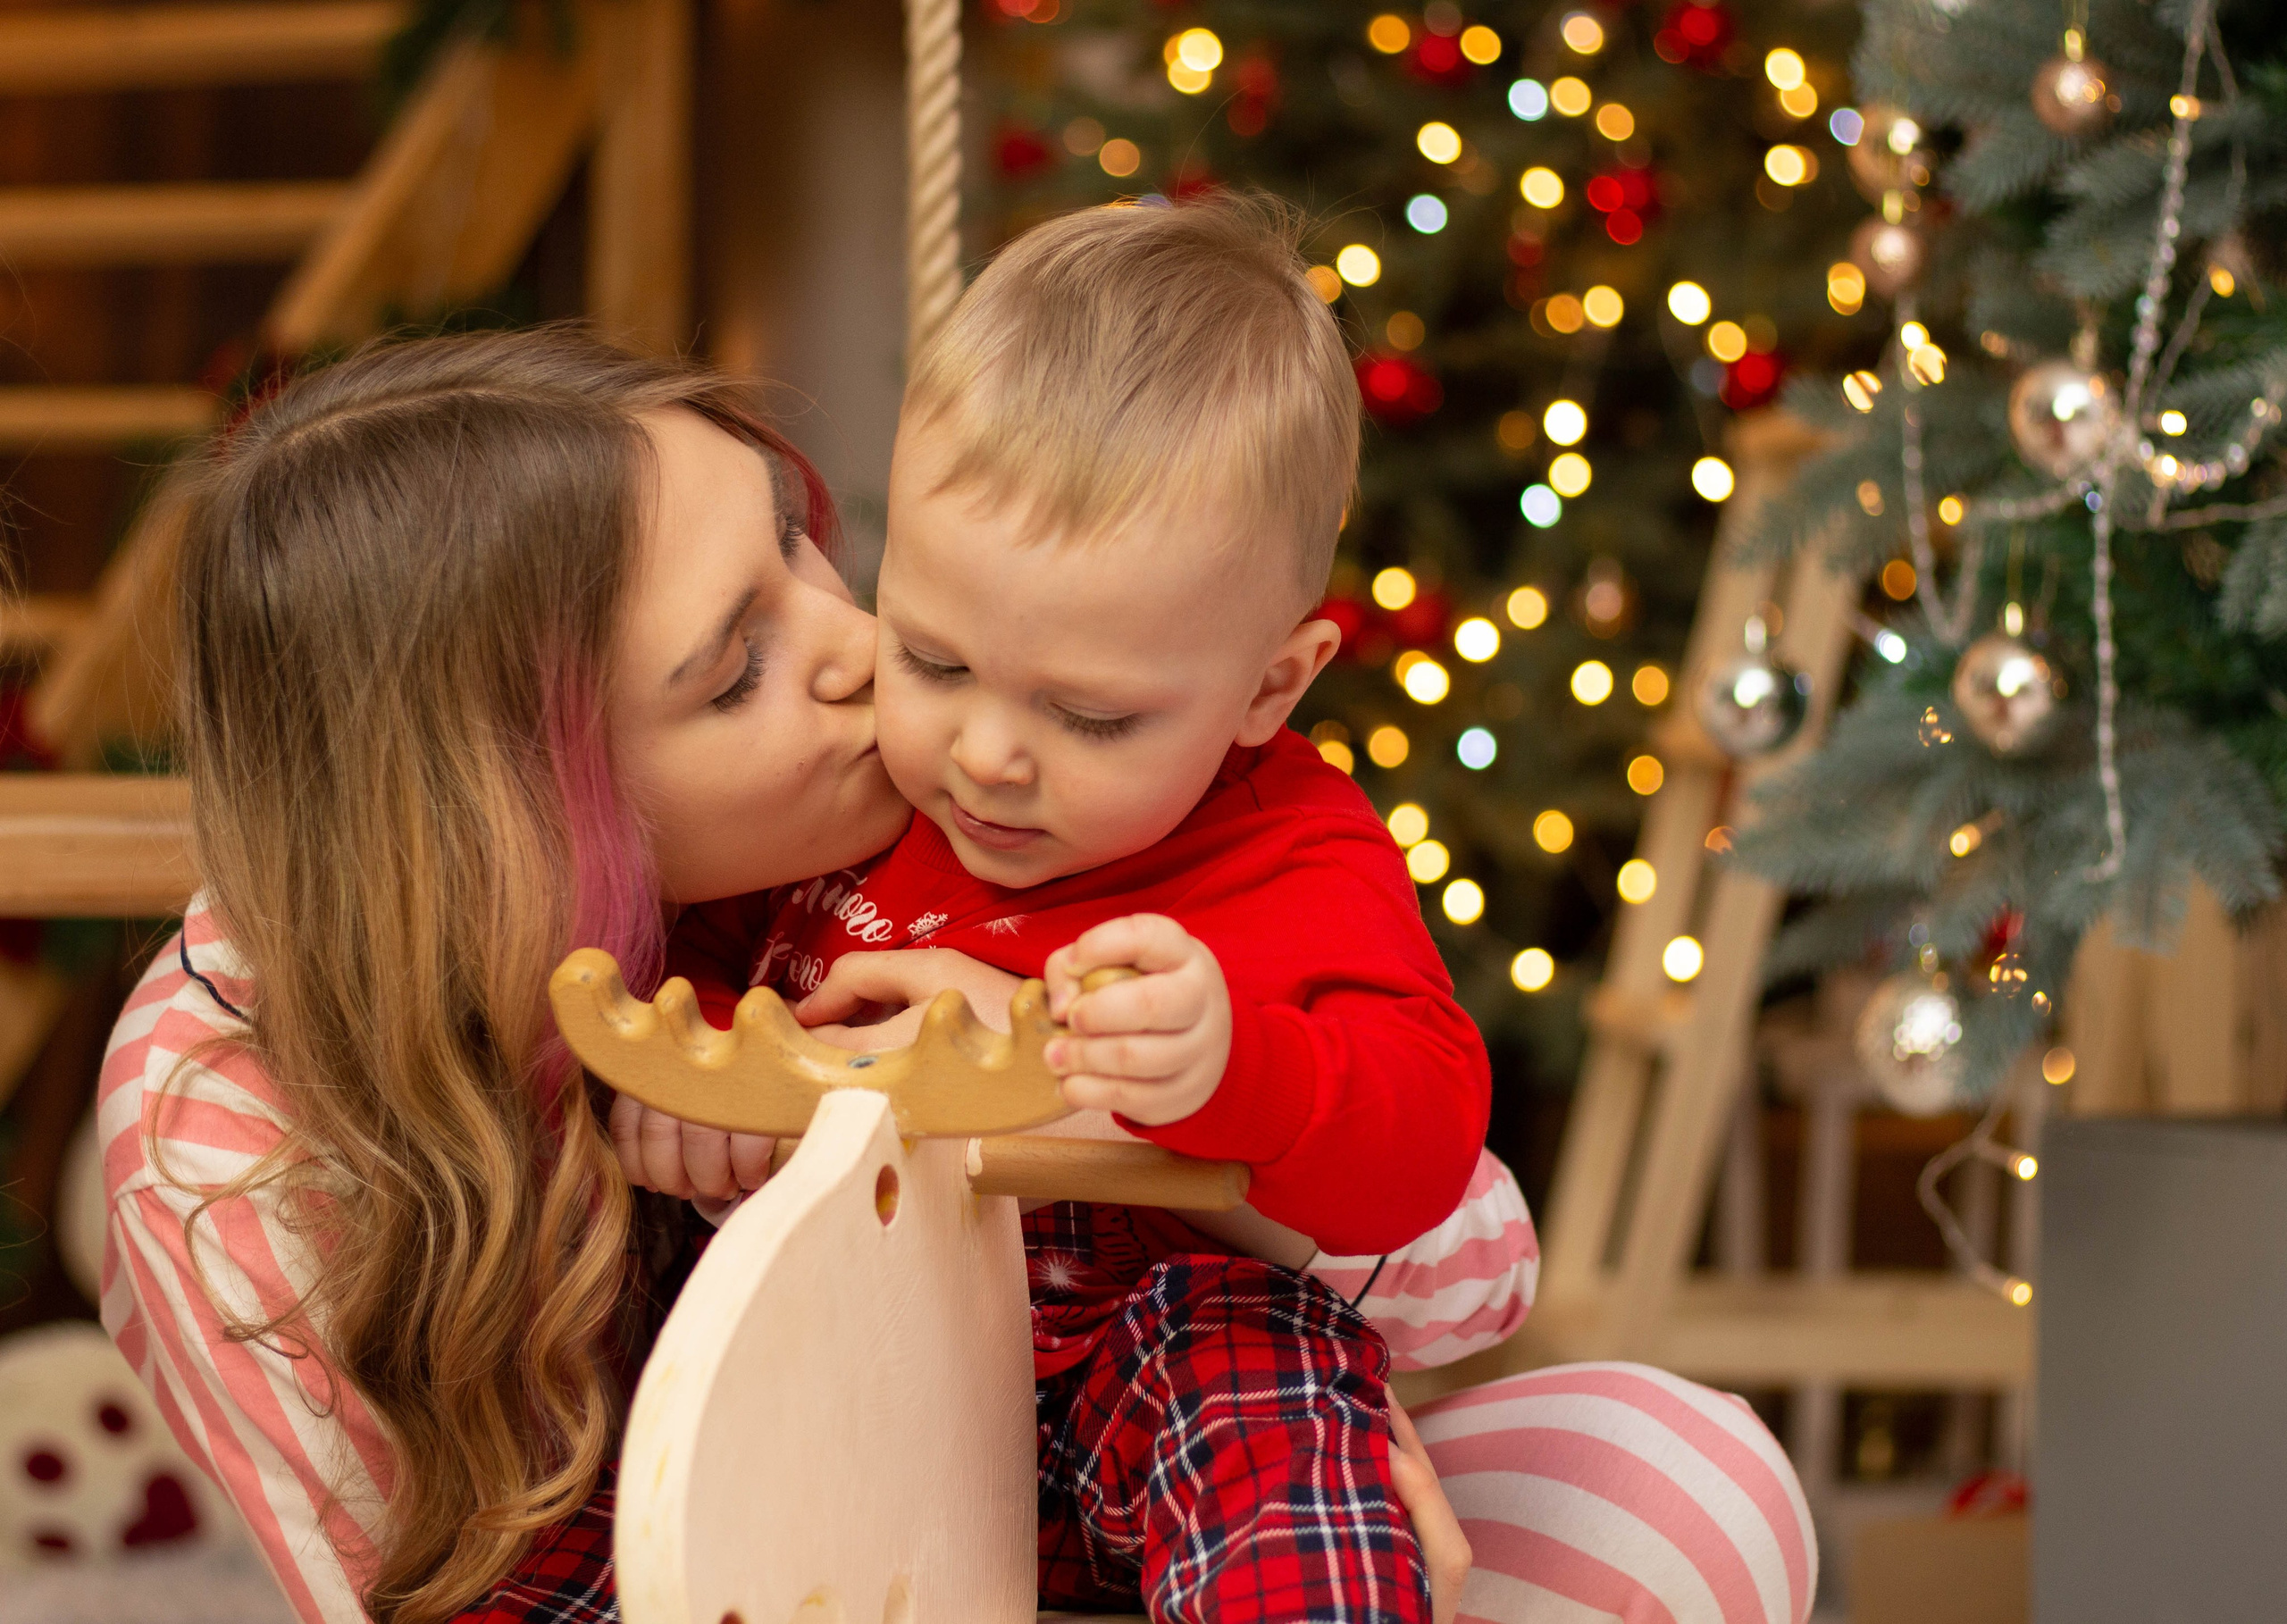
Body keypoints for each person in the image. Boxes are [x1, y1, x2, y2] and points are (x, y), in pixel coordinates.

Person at [100, 327, 1814, 1624]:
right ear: (531, 819)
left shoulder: (978, 797)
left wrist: (1159, 1131)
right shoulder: (226, 1124)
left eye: (799, 539)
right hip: (789, 1562)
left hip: (1136, 1484)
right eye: (737, 670)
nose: (866, 650)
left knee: (1682, 1469)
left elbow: (1465, 1275)